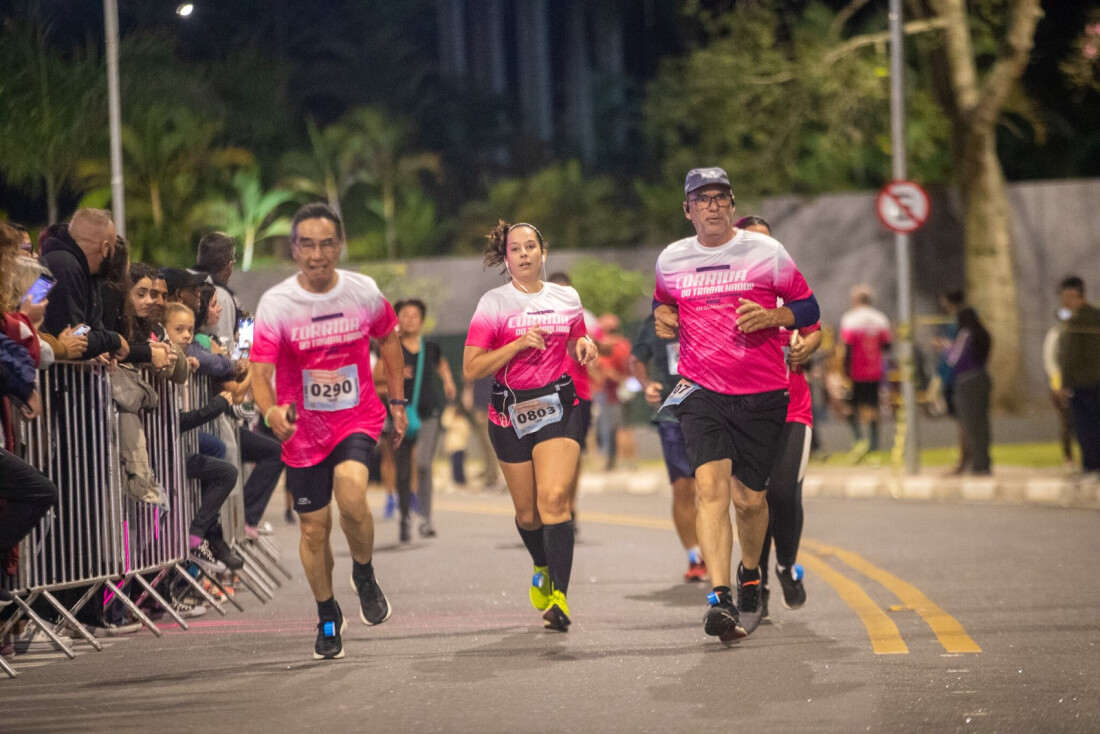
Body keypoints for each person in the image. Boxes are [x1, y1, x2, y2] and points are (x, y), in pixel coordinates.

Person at [652, 167, 819, 641]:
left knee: (750, 500)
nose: (712, 206)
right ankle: (720, 597)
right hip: (701, 391)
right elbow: (663, 303)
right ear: (688, 210)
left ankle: (752, 573)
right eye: (701, 199)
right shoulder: (671, 259)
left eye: (720, 197)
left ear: (731, 203)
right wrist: (663, 315)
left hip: (763, 392)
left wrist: (773, 315)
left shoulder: (766, 252)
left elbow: (808, 308)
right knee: (710, 491)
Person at [250, 202, 408, 660]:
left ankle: (363, 573)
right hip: (301, 429)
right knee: (314, 530)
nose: (317, 254)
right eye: (307, 245)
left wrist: (397, 402)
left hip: (355, 415)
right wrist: (270, 411)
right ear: (294, 250)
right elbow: (260, 371)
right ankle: (326, 613)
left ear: (339, 247)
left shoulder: (362, 291)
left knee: (353, 494)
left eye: (326, 244)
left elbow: (390, 340)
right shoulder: (277, 303)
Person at [463, 221, 598, 632]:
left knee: (555, 500)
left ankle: (560, 597)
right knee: (527, 514)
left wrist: (584, 346)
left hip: (559, 404)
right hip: (509, 414)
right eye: (515, 249)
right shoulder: (494, 304)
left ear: (543, 251)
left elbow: (578, 336)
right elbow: (471, 367)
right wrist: (517, 344)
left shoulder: (566, 297)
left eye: (530, 247)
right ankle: (541, 563)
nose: (523, 254)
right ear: (506, 258)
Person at [736, 215, 820, 618]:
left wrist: (806, 348)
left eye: (767, 241)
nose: (761, 247)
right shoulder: (726, 290)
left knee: (784, 493)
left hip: (792, 407)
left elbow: (816, 325)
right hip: (747, 410)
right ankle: (760, 584)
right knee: (756, 498)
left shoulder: (785, 283)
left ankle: (786, 566)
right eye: (750, 241)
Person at [629, 312, 706, 582]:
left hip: (709, 409)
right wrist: (646, 385)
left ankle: (715, 550)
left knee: (711, 486)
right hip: (671, 413)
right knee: (683, 487)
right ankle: (695, 555)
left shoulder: (705, 311)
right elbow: (636, 359)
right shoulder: (652, 323)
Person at [378, 299, 457, 541]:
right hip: (399, 414)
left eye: (414, 316)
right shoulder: (389, 347)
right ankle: (404, 519)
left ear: (422, 320)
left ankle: (425, 518)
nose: (409, 319)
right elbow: (375, 380)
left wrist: (448, 381)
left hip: (428, 412)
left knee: (422, 464)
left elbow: (441, 363)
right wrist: (393, 372)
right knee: (402, 469)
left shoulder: (430, 346)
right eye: (404, 315)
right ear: (397, 319)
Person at [39, 208, 129, 361]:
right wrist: (114, 340)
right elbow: (74, 338)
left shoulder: (89, 274)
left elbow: (89, 328)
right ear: (105, 248)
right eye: (113, 247)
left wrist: (100, 347)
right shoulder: (64, 267)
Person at [941, 290, 992, 475]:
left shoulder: (966, 334)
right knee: (982, 424)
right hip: (983, 378)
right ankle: (983, 462)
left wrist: (945, 348)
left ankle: (977, 465)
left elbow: (954, 358)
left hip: (966, 381)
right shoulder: (984, 333)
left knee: (969, 425)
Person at [838, 285, 891, 456]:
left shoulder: (850, 319)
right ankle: (874, 445)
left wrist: (844, 370)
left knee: (849, 407)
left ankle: (859, 441)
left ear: (856, 300)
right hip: (875, 370)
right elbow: (887, 346)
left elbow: (847, 347)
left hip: (855, 371)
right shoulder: (881, 319)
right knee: (874, 406)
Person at [1056, 276, 1100, 476]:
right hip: (1086, 381)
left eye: (1067, 296)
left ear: (1076, 295)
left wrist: (1065, 383)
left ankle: (1091, 465)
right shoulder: (1083, 317)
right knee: (1087, 426)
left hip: (1085, 383)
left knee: (1086, 427)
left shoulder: (1081, 320)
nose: (1064, 301)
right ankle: (1091, 465)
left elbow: (1071, 356)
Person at [193, 231, 241, 345]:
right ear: (229, 266)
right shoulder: (220, 295)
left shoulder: (186, 284)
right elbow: (225, 346)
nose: (217, 308)